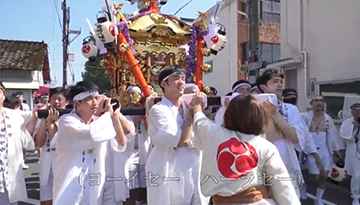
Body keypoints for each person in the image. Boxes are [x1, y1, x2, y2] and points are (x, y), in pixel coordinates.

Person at [190, 92, 301, 204]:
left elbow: (200, 122)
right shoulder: (265, 146)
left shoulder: (212, 133)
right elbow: (282, 185)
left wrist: (197, 106)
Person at [52, 81, 127, 205]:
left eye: (97, 98)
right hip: (70, 183)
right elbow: (92, 135)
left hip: (94, 183)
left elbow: (121, 142)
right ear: (77, 103)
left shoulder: (100, 123)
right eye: (89, 99)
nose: (95, 103)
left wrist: (114, 115)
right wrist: (107, 115)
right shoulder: (68, 121)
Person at [146, 66, 206, 205]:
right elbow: (181, 140)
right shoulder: (158, 110)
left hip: (194, 166)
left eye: (183, 79)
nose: (181, 82)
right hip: (170, 169)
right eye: (176, 79)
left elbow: (203, 136)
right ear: (164, 84)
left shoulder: (189, 106)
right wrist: (192, 114)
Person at [255, 69, 306, 196]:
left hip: (286, 165)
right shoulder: (253, 109)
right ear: (263, 86)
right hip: (261, 167)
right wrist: (283, 131)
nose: (279, 85)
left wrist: (274, 115)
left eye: (281, 82)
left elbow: (295, 138)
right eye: (275, 82)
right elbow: (265, 137)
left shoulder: (290, 109)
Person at [300, 95, 344, 205]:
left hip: (324, 149)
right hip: (309, 150)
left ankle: (318, 198)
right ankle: (303, 185)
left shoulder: (328, 118)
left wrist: (336, 152)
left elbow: (333, 136)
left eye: (321, 101)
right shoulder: (305, 117)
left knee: (324, 175)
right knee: (314, 176)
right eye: (316, 101)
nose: (319, 103)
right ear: (311, 104)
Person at [282, 89, 323, 200]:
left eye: (293, 97)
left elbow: (306, 136)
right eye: (288, 96)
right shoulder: (271, 112)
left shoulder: (297, 115)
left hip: (295, 154)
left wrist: (314, 155)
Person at [0, 82, 37, 205]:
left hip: (9, 171)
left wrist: (36, 116)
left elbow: (25, 131)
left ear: (4, 96)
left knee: (9, 200)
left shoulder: (14, 115)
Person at [33, 87, 68, 205]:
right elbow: (39, 142)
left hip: (64, 163)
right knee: (46, 200)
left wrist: (51, 123)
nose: (56, 102)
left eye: (59, 99)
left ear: (67, 102)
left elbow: (59, 139)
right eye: (53, 99)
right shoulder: (44, 116)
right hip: (47, 163)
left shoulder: (70, 118)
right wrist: (44, 120)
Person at [122, 84, 152, 205]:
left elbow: (150, 130)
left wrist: (144, 114)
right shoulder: (123, 112)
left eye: (134, 94)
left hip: (144, 152)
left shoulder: (146, 111)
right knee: (130, 184)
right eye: (129, 94)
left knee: (145, 182)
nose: (131, 96)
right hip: (128, 153)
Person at [340, 103, 360, 205]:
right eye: (356, 111)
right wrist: (355, 128)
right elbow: (345, 135)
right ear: (352, 112)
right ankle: (355, 197)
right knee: (357, 175)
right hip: (354, 151)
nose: (358, 113)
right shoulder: (347, 123)